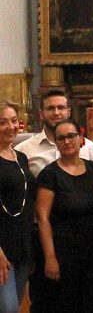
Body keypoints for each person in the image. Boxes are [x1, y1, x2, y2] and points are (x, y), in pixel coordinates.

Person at [35, 119, 93, 313]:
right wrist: (50, 257)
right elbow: (42, 218)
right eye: (61, 138)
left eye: (71, 136)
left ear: (81, 138)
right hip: (64, 256)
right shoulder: (50, 174)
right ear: (56, 142)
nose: (67, 141)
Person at [16, 88, 93, 177]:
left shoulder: (89, 148)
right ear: (41, 114)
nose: (56, 113)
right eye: (50, 108)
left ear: (69, 112)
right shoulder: (24, 150)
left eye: (61, 108)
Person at [0, 99, 36, 313]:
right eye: (3, 122)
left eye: (14, 121)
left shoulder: (20, 157)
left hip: (22, 246)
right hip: (2, 248)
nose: (11, 127)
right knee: (8, 308)